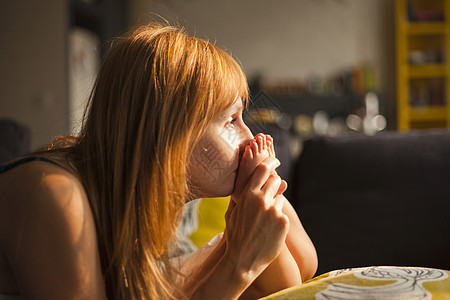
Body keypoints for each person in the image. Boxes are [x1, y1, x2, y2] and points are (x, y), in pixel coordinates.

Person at [0, 23, 317, 299]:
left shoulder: (145, 201)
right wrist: (239, 263)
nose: (249, 138)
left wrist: (255, 200)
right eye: (231, 121)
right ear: (170, 134)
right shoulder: (56, 195)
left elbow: (300, 272)